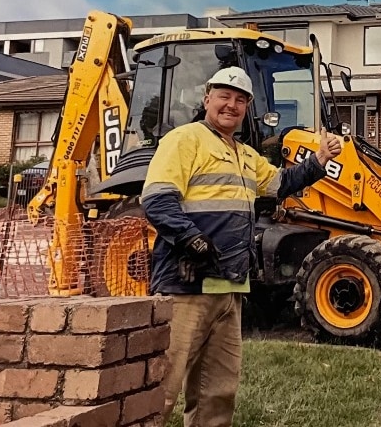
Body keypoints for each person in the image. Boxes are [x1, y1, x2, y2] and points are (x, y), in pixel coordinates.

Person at [141, 66, 342, 427]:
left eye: (239, 100)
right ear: (207, 99)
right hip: (186, 286)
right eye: (224, 96)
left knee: (216, 390)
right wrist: (192, 239)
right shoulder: (185, 140)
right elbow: (157, 201)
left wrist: (320, 159)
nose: (231, 105)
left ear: (247, 107)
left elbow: (282, 183)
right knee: (162, 384)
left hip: (228, 287)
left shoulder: (245, 155)